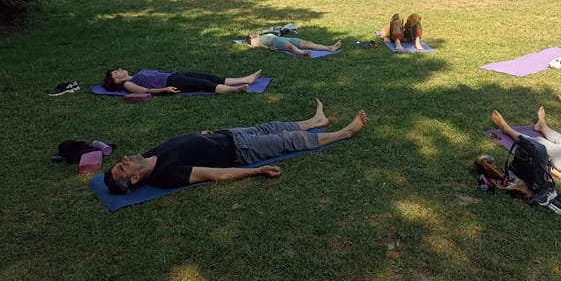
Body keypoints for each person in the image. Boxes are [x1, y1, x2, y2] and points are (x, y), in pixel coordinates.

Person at [103, 99, 368, 194]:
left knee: (272, 126)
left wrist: (203, 134)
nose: (124, 158)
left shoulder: (147, 156)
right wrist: (255, 171)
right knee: (287, 141)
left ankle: (315, 120)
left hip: (226, 135)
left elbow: (180, 144)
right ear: (135, 178)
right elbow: (215, 174)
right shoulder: (166, 175)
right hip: (239, 152)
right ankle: (344, 133)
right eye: (122, 167)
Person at [103, 68, 262, 95]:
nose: (119, 72)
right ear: (117, 81)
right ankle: (237, 89)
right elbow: (145, 91)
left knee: (208, 77)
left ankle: (246, 79)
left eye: (117, 70)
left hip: (173, 75)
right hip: (170, 83)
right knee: (203, 84)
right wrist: (164, 90)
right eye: (115, 74)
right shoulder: (128, 84)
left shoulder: (133, 75)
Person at [247, 31, 341, 57]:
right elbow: (259, 45)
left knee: (307, 43)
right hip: (275, 42)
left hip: (282, 38)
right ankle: (303, 54)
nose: (253, 32)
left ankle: (330, 48)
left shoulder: (263, 34)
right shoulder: (253, 40)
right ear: (250, 37)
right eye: (251, 33)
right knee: (290, 47)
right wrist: (268, 48)